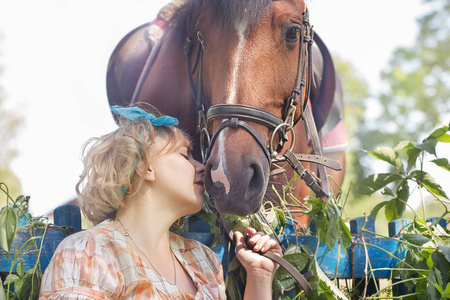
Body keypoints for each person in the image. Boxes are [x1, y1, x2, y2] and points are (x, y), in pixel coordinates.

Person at [39, 105, 283, 299]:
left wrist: (259, 274)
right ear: (145, 167)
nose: (201, 167)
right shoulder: (90, 254)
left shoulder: (203, 261)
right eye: (184, 155)